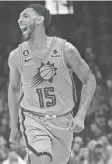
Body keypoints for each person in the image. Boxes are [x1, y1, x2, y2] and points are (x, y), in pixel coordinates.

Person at [8, 4, 96, 164]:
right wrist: (14, 125)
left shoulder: (65, 49)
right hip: (33, 118)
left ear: (40, 20)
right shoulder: (16, 55)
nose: (20, 19)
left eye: (25, 16)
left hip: (63, 121)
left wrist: (81, 115)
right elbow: (14, 89)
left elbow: (89, 80)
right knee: (41, 159)